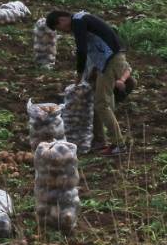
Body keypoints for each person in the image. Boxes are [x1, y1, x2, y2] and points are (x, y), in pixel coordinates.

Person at [46, 11, 134, 156]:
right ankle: (110, 142)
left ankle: (119, 145)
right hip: (107, 60)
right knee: (107, 103)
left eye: (61, 28)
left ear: (62, 20)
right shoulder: (82, 18)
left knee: (101, 104)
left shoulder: (78, 22)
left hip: (110, 60)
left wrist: (79, 75)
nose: (66, 32)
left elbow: (82, 50)